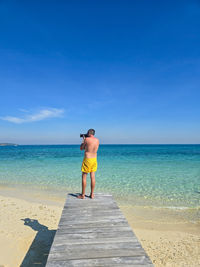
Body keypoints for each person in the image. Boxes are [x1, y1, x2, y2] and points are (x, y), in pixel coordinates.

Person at [77, 129, 99, 199]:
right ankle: (92, 194)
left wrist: (83, 140)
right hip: (94, 159)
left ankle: (83, 195)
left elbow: (81, 148)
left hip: (87, 159)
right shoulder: (97, 140)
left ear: (89, 133)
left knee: (84, 176)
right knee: (92, 176)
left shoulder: (86, 139)